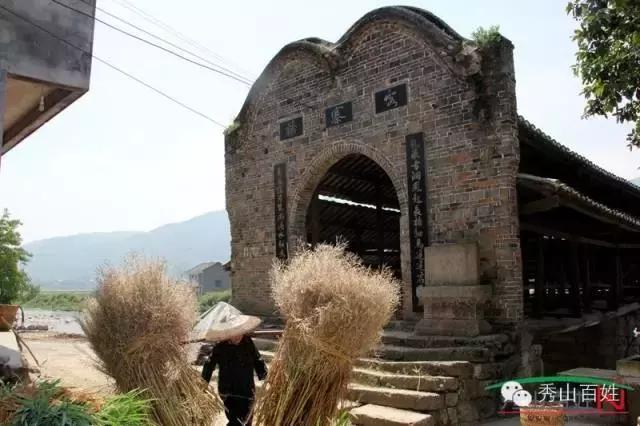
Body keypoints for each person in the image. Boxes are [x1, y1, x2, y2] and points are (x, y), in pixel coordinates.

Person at [201, 332, 267, 426]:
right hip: (229, 392)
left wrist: (265, 376)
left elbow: (258, 360)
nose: (238, 336)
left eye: (240, 333)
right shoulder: (221, 345)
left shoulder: (247, 342)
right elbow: (209, 364)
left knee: (247, 421)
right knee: (236, 421)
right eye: (235, 333)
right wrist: (203, 382)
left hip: (247, 390)